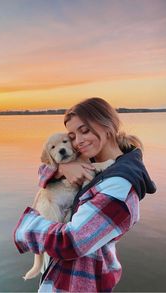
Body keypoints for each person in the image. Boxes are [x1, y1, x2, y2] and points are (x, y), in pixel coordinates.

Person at [14, 97, 156, 292]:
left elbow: (71, 241)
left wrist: (25, 228)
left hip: (80, 283)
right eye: (72, 136)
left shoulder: (120, 186)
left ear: (107, 126)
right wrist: (63, 168)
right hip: (60, 275)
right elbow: (44, 168)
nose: (78, 141)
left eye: (85, 130)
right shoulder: (89, 160)